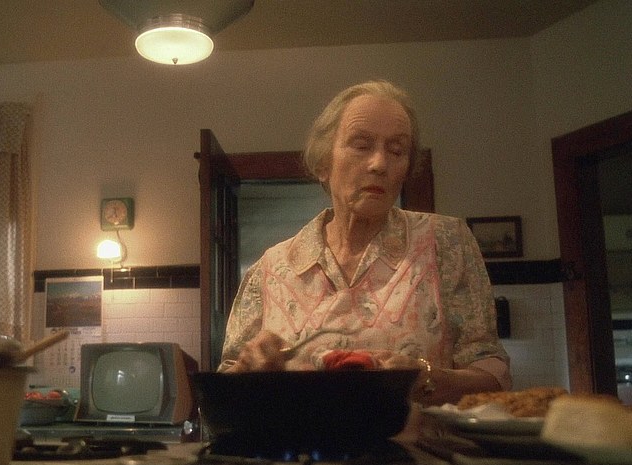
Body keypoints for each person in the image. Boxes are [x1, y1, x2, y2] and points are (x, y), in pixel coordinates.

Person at [218, 79, 511, 406]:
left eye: (397, 151)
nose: (380, 164)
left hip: (414, 439)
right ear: (323, 164)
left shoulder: (446, 243)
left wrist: (426, 379)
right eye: (361, 145)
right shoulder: (270, 269)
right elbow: (223, 396)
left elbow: (494, 377)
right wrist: (250, 374)